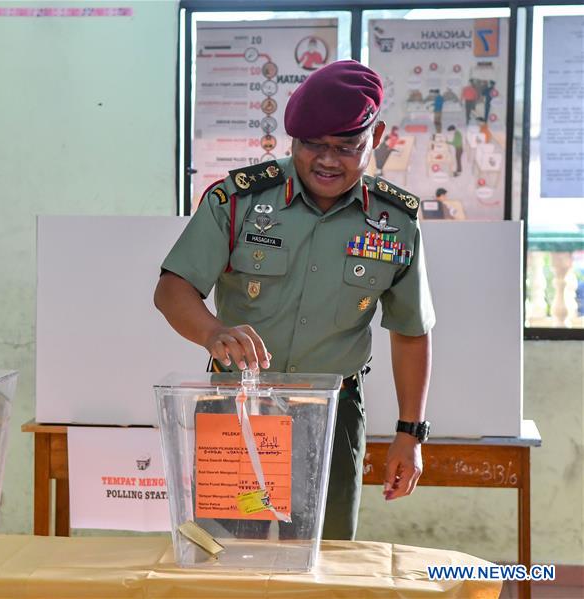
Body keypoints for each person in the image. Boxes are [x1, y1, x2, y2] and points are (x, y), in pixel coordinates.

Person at [154, 60, 435, 541]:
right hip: (238, 410)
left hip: (332, 413)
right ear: (292, 139)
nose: (327, 160)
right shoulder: (240, 201)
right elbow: (172, 288)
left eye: (347, 148)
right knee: (224, 554)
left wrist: (410, 433)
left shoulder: (395, 222)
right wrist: (213, 332)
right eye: (312, 145)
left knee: (323, 563)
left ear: (378, 136)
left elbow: (411, 330)